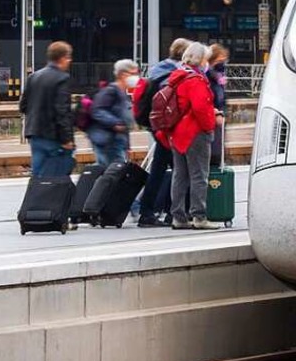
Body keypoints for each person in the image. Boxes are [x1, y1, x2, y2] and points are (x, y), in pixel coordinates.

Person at [135, 38, 190, 227]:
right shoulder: (175, 74)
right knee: (179, 172)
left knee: (159, 171)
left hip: (157, 127)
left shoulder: (157, 69)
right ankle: (171, 212)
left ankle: (148, 212)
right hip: (170, 129)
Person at [166, 42, 221, 230]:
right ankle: (199, 217)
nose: (207, 62)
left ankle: (178, 217)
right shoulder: (195, 79)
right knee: (199, 175)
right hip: (194, 132)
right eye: (206, 59)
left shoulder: (177, 76)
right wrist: (209, 126)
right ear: (200, 59)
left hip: (177, 132)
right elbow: (199, 107)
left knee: (179, 175)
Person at [19, 41, 75, 177]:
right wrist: (67, 139)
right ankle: (55, 197)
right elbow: (62, 111)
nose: (70, 61)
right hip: (54, 137)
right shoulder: (62, 78)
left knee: (38, 176)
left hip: (35, 135)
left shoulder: (33, 77)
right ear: (62, 58)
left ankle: (36, 197)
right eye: (68, 57)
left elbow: (23, 106)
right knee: (57, 178)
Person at [88, 59, 139, 166]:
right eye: (134, 73)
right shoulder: (110, 91)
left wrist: (127, 146)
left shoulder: (121, 92)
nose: (137, 77)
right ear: (123, 74)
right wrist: (115, 123)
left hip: (116, 141)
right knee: (113, 175)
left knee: (112, 175)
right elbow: (97, 110)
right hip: (108, 141)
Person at [206, 44, 229, 167]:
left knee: (217, 151)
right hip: (211, 118)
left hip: (219, 117)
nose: (223, 62)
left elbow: (221, 96)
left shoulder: (218, 76)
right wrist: (215, 112)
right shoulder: (207, 76)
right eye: (220, 59)